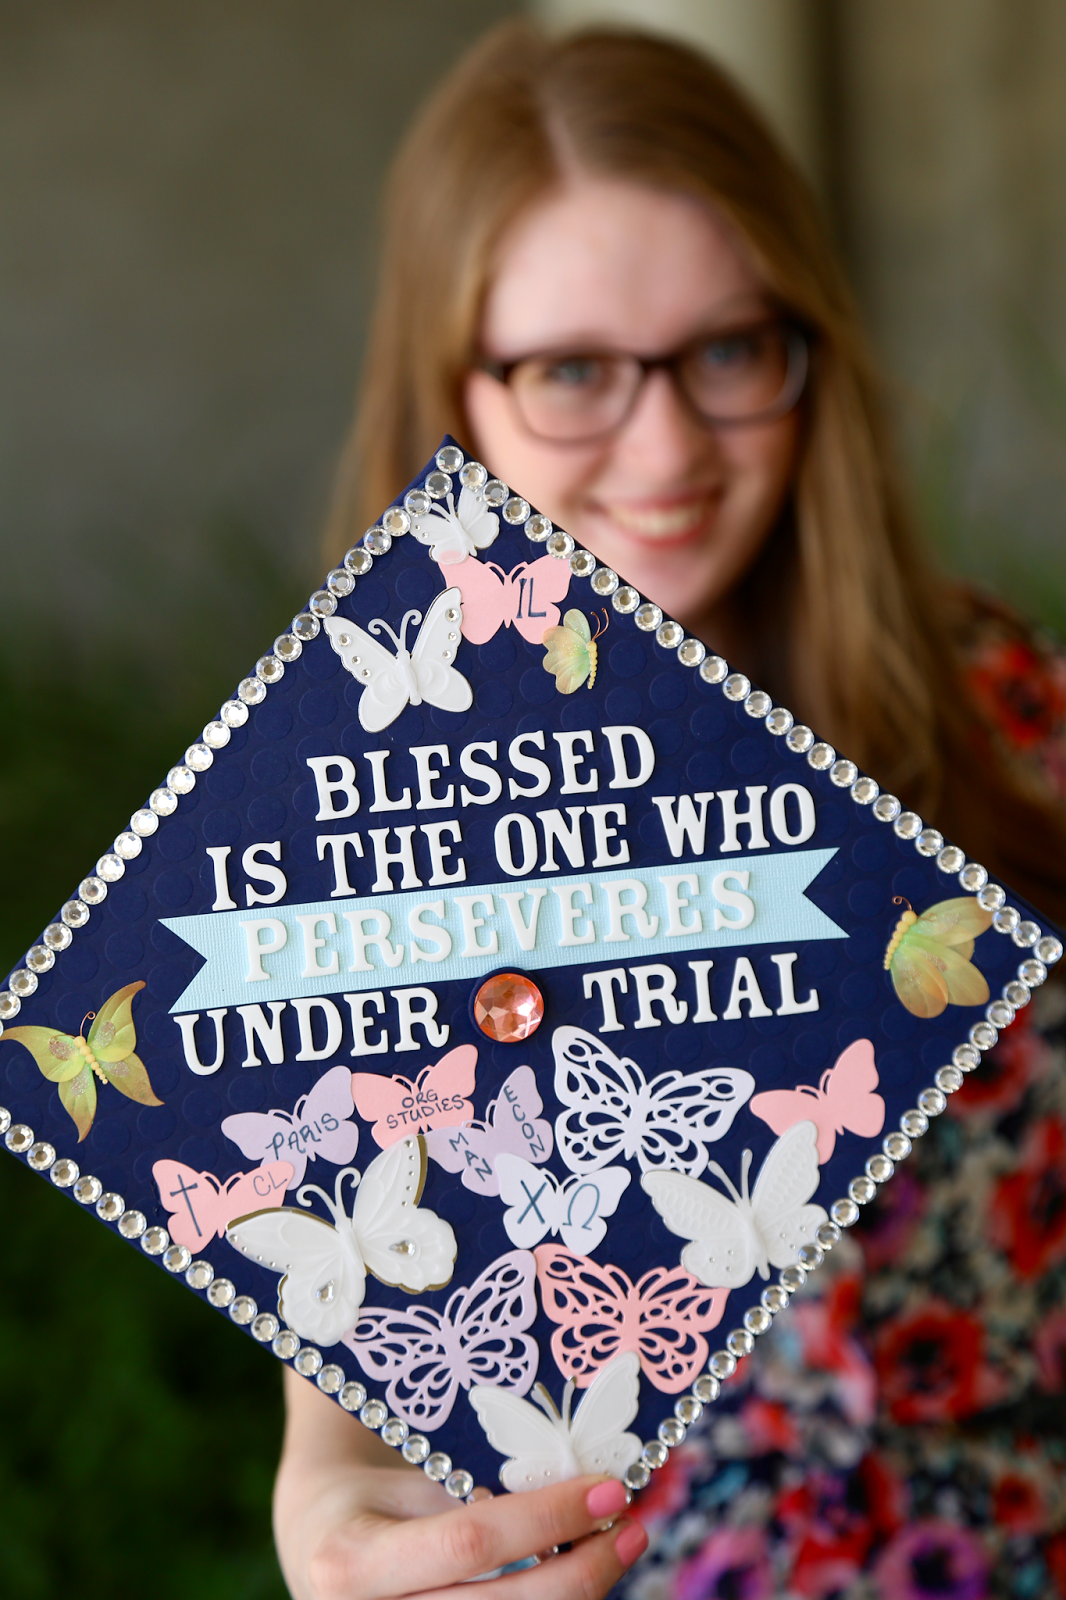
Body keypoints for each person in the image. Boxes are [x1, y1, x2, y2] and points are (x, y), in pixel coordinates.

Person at [276, 23, 1066, 1599]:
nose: (665, 448)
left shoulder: (1010, 705)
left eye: (724, 351)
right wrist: (332, 1503)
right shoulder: (376, 822)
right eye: (572, 371)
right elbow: (349, 1386)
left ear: (803, 343)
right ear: (452, 384)